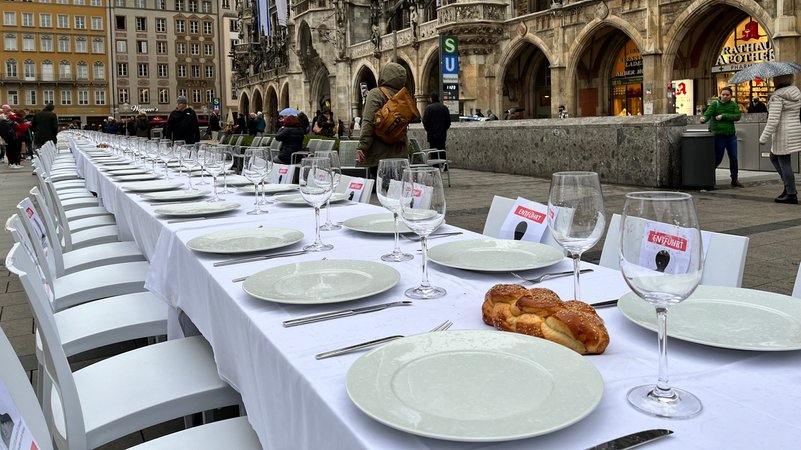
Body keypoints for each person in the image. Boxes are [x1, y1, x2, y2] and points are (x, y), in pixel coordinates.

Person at [356, 61, 410, 177]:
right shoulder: (404, 96)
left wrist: (362, 146)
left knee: (380, 190)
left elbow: (368, 122)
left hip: (379, 155)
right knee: (396, 191)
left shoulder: (376, 94)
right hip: (400, 153)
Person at [759, 74, 801, 204]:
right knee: (774, 157)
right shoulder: (795, 92)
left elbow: (773, 120)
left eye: (774, 78)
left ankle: (791, 193)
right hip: (793, 130)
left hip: (783, 133)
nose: (772, 80)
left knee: (784, 161)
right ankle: (789, 187)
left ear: (778, 80)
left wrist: (763, 138)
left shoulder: (778, 96)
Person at [700, 87, 743, 187]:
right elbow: (708, 113)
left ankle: (734, 179)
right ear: (720, 94)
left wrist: (723, 116)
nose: (724, 96)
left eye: (727, 95)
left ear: (730, 96)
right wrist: (703, 118)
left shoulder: (733, 105)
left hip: (731, 135)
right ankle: (708, 176)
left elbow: (737, 116)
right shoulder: (715, 104)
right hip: (719, 135)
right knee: (718, 157)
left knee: (734, 157)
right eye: (723, 94)